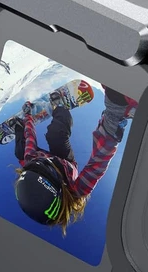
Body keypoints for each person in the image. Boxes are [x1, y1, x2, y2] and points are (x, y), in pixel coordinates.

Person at [14, 86, 137, 234]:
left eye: (37, 164)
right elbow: (98, 162)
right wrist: (113, 119)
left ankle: (21, 126)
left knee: (21, 152)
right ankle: (60, 108)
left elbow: (30, 137)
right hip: (66, 162)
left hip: (37, 159)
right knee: (56, 134)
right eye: (48, 166)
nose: (43, 162)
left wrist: (27, 117)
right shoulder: (77, 190)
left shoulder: (31, 160)